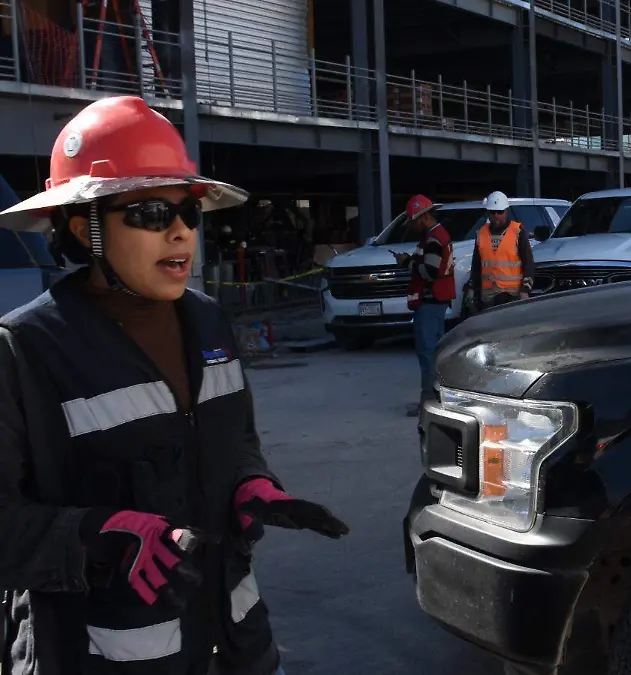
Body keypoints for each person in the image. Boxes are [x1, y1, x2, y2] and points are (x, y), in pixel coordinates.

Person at [0, 95, 350, 675]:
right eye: (150, 214)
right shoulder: (26, 349)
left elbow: (235, 439)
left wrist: (252, 486)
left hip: (238, 647)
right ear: (82, 228)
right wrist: (96, 537)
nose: (182, 233)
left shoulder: (208, 320)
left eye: (188, 212)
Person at [393, 194, 455, 417]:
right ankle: (438, 400)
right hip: (434, 302)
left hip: (429, 303)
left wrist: (407, 262)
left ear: (424, 217)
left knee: (428, 354)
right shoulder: (433, 236)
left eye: (413, 221)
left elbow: (429, 272)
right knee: (436, 353)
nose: (412, 225)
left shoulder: (433, 239)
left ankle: (429, 402)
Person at [466, 191, 535, 312]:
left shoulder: (517, 232)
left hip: (513, 295)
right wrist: (472, 288)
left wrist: (525, 290)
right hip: (489, 297)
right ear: (488, 213)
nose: (496, 215)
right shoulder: (481, 233)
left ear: (506, 211)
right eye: (492, 212)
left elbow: (528, 263)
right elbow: (476, 265)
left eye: (500, 212)